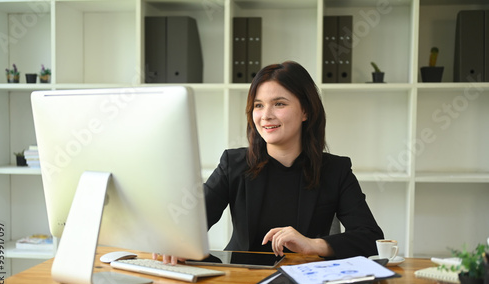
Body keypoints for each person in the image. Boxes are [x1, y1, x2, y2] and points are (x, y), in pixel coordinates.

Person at [161, 60, 383, 264]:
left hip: (304, 282)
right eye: (258, 105)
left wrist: (313, 244)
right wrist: (175, 242)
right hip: (239, 281)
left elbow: (370, 237)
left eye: (279, 104)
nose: (265, 115)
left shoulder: (335, 170)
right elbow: (192, 225)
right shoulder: (234, 163)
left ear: (305, 111)